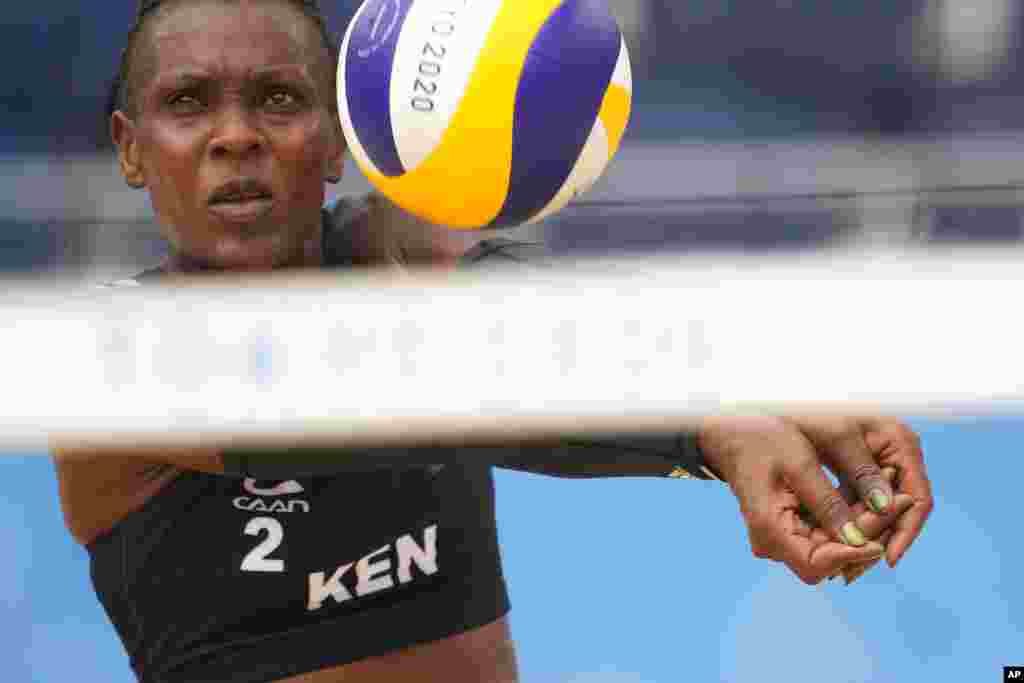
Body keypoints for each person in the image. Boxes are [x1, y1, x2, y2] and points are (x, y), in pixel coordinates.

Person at [54, 2, 934, 682]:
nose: (235, 135)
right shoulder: (100, 364)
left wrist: (773, 387)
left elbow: (534, 310)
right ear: (131, 150)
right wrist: (708, 430)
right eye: (186, 104)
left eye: (279, 99)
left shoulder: (396, 265)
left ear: (334, 141)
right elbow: (405, 392)